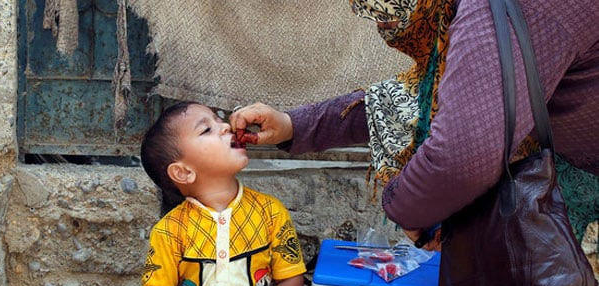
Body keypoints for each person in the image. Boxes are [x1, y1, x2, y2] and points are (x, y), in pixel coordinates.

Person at [230, 0, 599, 251]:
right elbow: (415, 97)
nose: (387, 30)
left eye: (389, 16)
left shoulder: (500, 10)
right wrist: (294, 125)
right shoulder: (473, 20)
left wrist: (409, 210)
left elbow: (461, 155)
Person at [139, 101, 306, 286]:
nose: (226, 125)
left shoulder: (271, 213)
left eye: (218, 119)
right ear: (183, 172)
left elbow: (291, 279)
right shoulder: (169, 230)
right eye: (207, 129)